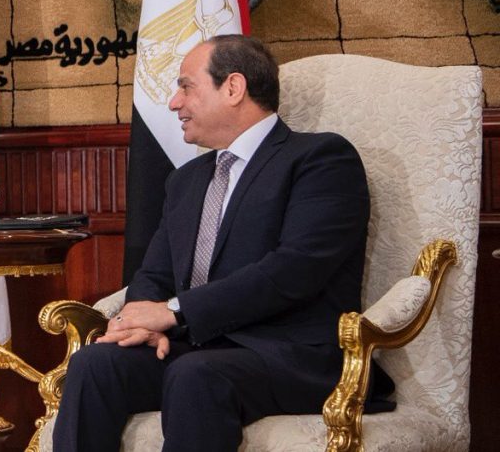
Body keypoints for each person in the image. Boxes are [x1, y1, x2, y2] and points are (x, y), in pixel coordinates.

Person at [53, 35, 393, 451]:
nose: (174, 103)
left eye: (186, 87)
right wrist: (141, 324)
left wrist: (173, 313)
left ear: (233, 87)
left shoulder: (320, 159)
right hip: (200, 348)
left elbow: (293, 271)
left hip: (290, 355)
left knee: (196, 374)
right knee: (94, 364)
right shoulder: (185, 180)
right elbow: (154, 274)